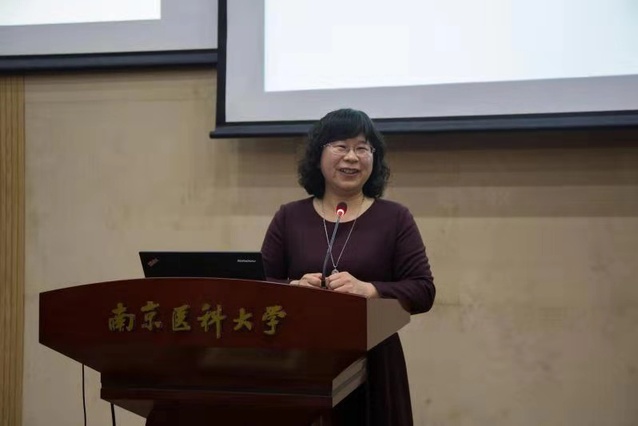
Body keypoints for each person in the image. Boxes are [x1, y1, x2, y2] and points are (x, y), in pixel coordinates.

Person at [261, 108, 436, 426]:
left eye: (362, 148)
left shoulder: (395, 218)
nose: (352, 157)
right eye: (341, 146)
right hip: (299, 360)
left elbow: (423, 290)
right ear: (318, 155)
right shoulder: (290, 217)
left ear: (374, 158)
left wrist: (370, 290)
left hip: (373, 363)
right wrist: (292, 289)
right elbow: (259, 286)